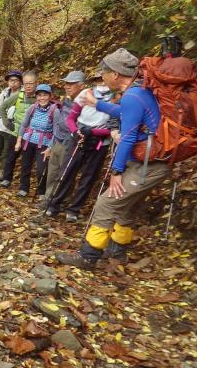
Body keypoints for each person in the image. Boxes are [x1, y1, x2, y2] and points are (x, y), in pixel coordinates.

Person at [56, 47, 168, 270]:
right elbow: (125, 113)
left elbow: (127, 137)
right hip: (153, 162)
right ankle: (118, 250)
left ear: (115, 74)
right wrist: (96, 104)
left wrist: (116, 172)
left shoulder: (132, 97)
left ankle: (88, 256)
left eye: (104, 72)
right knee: (125, 206)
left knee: (107, 203)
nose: (103, 77)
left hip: (147, 166)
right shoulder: (139, 92)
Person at [45, 73, 117, 221]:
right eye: (97, 80)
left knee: (88, 177)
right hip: (79, 137)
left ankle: (74, 209)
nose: (101, 83)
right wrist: (76, 131)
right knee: (67, 171)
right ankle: (54, 204)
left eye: (103, 80)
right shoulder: (86, 93)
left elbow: (113, 128)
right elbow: (72, 118)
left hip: (99, 142)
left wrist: (93, 132)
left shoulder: (116, 98)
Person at [42, 71, 86, 203]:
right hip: (58, 140)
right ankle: (48, 198)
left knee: (64, 173)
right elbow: (60, 121)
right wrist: (52, 143)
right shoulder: (67, 99)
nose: (67, 86)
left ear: (82, 86)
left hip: (71, 142)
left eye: (71, 84)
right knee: (52, 171)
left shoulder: (85, 102)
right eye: (66, 83)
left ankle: (58, 200)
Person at [15, 84, 55, 198]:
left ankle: (41, 192)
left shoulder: (54, 111)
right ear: (36, 96)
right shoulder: (32, 108)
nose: (42, 98)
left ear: (50, 96)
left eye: (45, 95)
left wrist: (50, 148)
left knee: (41, 169)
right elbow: (23, 125)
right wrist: (19, 141)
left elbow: (56, 132)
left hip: (44, 143)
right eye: (39, 95)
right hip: (28, 140)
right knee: (25, 165)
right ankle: (23, 188)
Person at [0, 71, 37, 187]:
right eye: (26, 84)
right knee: (11, 157)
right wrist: (6, 122)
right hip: (16, 131)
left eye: (31, 83)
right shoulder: (19, 95)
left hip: (31, 134)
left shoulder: (40, 97)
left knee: (27, 162)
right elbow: (3, 107)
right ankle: (6, 179)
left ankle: (24, 187)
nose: (28, 86)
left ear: (36, 83)